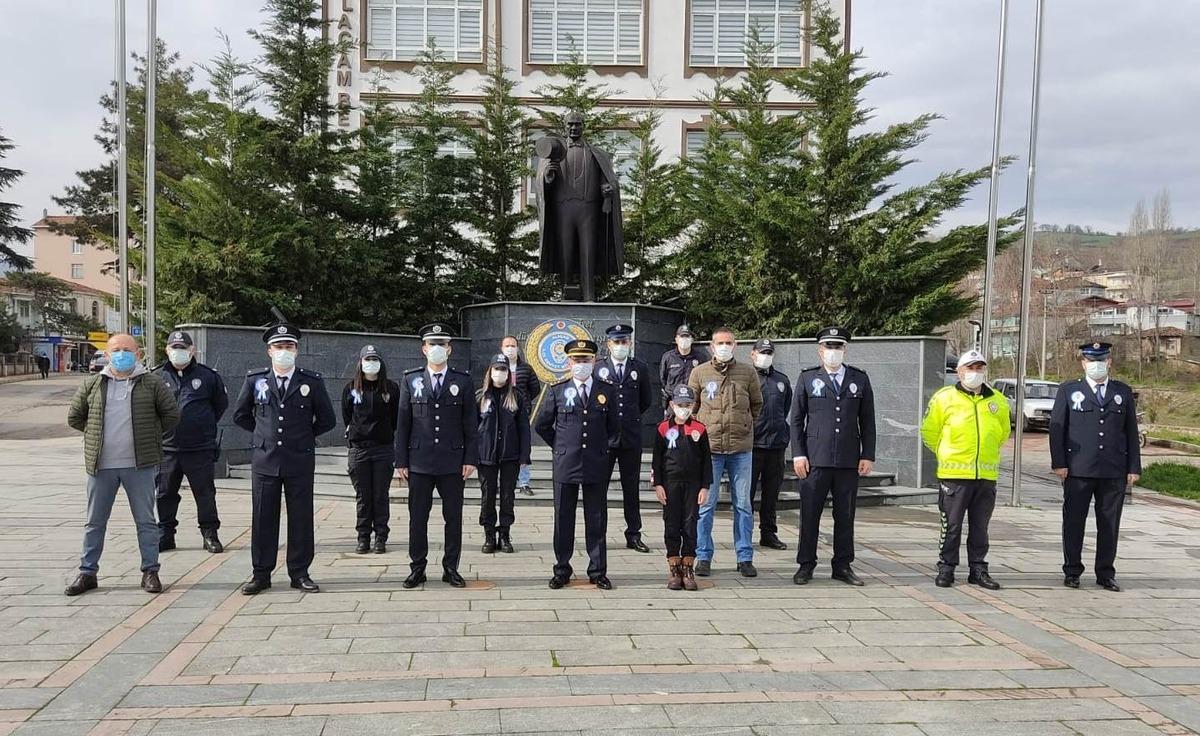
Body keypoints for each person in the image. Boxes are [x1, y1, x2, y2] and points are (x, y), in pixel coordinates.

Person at [65, 333, 179, 596]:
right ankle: (87, 572)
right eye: (116, 349)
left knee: (146, 521)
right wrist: (96, 435)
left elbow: (171, 415)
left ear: (138, 354)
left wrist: (149, 436)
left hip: (139, 465)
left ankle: (150, 571)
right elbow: (75, 417)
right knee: (95, 521)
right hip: (101, 466)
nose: (121, 354)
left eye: (127, 349)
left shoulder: (152, 383)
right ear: (107, 353)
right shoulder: (93, 384)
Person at [232, 321, 336, 595]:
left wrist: (304, 435)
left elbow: (327, 419)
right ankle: (261, 573)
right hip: (266, 460)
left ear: (297, 350)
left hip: (299, 459)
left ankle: (299, 572)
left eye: (288, 346)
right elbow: (240, 414)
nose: (284, 351)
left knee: (301, 518)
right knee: (263, 517)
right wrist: (261, 435)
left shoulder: (311, 381)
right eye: (279, 346)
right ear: (269, 351)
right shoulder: (255, 380)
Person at [1050, 341, 1140, 592]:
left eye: (1101, 360)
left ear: (1109, 362)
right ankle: (1072, 570)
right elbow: (1057, 429)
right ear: (1083, 363)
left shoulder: (1121, 391)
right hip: (1078, 468)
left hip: (1113, 470)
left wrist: (1134, 466)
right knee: (1074, 521)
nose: (1096, 365)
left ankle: (1105, 572)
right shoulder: (1069, 390)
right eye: (1091, 360)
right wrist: (1059, 463)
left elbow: (1131, 431)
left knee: (1109, 524)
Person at [790, 327, 877, 586]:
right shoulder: (807, 378)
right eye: (829, 347)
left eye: (838, 347)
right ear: (820, 350)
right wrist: (798, 455)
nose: (833, 352)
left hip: (848, 461)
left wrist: (868, 455)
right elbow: (796, 420)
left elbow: (868, 420)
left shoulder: (859, 379)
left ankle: (842, 565)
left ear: (845, 350)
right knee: (809, 515)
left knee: (845, 515)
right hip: (815, 460)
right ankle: (806, 565)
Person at [395, 324, 478, 589]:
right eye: (433, 344)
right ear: (424, 349)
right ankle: (417, 567)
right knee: (418, 518)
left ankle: (450, 567)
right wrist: (401, 461)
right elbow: (403, 423)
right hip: (419, 461)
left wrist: (470, 458)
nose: (437, 349)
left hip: (452, 461)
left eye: (442, 344)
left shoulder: (462, 380)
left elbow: (470, 423)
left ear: (450, 349)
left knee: (453, 518)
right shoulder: (411, 379)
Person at [534, 339, 620, 590]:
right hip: (566, 463)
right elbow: (541, 425)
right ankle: (562, 569)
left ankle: (598, 571)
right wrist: (560, 446)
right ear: (568, 362)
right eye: (577, 360)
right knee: (563, 518)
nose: (581, 364)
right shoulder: (557, 389)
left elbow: (614, 428)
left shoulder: (607, 390)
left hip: (596, 462)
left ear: (594, 361)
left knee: (596, 518)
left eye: (586, 360)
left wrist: (603, 450)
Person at [920, 349, 1009, 590]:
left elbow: (1002, 432)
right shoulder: (944, 398)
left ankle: (978, 569)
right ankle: (946, 567)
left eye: (979, 368)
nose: (975, 373)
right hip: (954, 475)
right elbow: (929, 431)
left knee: (981, 527)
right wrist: (946, 453)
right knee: (952, 525)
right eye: (970, 368)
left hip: (985, 475)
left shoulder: (997, 400)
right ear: (959, 372)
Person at [687, 327, 763, 578]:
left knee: (743, 505)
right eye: (720, 343)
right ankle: (704, 555)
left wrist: (743, 424)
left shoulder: (747, 372)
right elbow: (691, 407)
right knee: (705, 505)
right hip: (709, 449)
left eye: (728, 342)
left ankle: (744, 557)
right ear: (711, 346)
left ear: (735, 345)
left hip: (741, 448)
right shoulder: (699, 372)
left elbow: (756, 405)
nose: (724, 347)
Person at [154, 330, 228, 554]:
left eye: (183, 348)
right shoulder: (156, 377)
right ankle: (165, 534)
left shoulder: (208, 376)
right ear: (167, 350)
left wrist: (201, 425)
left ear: (192, 350)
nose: (179, 352)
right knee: (165, 494)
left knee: (204, 493)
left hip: (199, 448)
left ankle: (209, 534)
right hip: (166, 449)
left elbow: (220, 406)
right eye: (174, 348)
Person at [597, 323, 654, 553]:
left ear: (630, 343)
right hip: (605, 440)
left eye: (624, 342)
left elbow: (645, 401)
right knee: (599, 489)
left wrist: (627, 421)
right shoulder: (598, 368)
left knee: (631, 489)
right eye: (617, 342)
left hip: (630, 438)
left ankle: (633, 534)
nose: (621, 346)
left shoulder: (639, 368)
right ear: (608, 344)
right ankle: (598, 533)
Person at [651, 385, 712, 591]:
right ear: (671, 405)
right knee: (671, 523)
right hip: (670, 484)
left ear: (693, 405)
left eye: (687, 405)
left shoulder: (699, 429)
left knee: (690, 524)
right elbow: (656, 460)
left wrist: (705, 486)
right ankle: (674, 566)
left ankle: (688, 566)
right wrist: (658, 484)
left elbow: (706, 461)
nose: (683, 409)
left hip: (693, 485)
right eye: (679, 405)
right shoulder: (662, 428)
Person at [342, 345, 399, 555]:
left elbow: (395, 419)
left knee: (380, 496)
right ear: (360, 362)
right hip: (359, 450)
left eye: (375, 359)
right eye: (368, 359)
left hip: (383, 449)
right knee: (363, 496)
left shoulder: (391, 389)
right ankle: (363, 537)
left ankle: (381, 537)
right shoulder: (351, 389)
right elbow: (347, 416)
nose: (371, 363)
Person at [476, 354, 532, 554]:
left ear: (509, 374)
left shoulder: (516, 396)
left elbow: (524, 428)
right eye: (496, 369)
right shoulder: (480, 396)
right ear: (490, 372)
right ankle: (489, 534)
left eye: (504, 369)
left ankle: (505, 534)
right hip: (486, 456)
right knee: (487, 495)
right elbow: (472, 428)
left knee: (508, 497)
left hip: (510, 455)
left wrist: (524, 455)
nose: (500, 373)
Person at [749, 338, 792, 551]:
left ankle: (768, 533)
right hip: (753, 445)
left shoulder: (781, 380)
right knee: (746, 495)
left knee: (771, 494)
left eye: (769, 352)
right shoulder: (747, 378)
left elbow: (786, 408)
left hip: (776, 446)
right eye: (762, 352)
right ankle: (744, 534)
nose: (765, 356)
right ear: (753, 354)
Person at [500, 335, 541, 496]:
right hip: (502, 413)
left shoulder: (526, 368)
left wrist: (524, 402)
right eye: (507, 345)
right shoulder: (497, 367)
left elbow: (535, 388)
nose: (510, 348)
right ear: (502, 348)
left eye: (513, 345)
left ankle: (524, 483)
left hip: (521, 414)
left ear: (518, 348)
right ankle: (500, 483)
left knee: (523, 447)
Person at [660, 325, 711, 416]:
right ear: (676, 339)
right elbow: (663, 379)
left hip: (693, 404)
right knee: (671, 430)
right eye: (681, 336)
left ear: (691, 339)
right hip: (674, 404)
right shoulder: (668, 357)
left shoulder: (701, 357)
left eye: (687, 336)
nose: (684, 339)